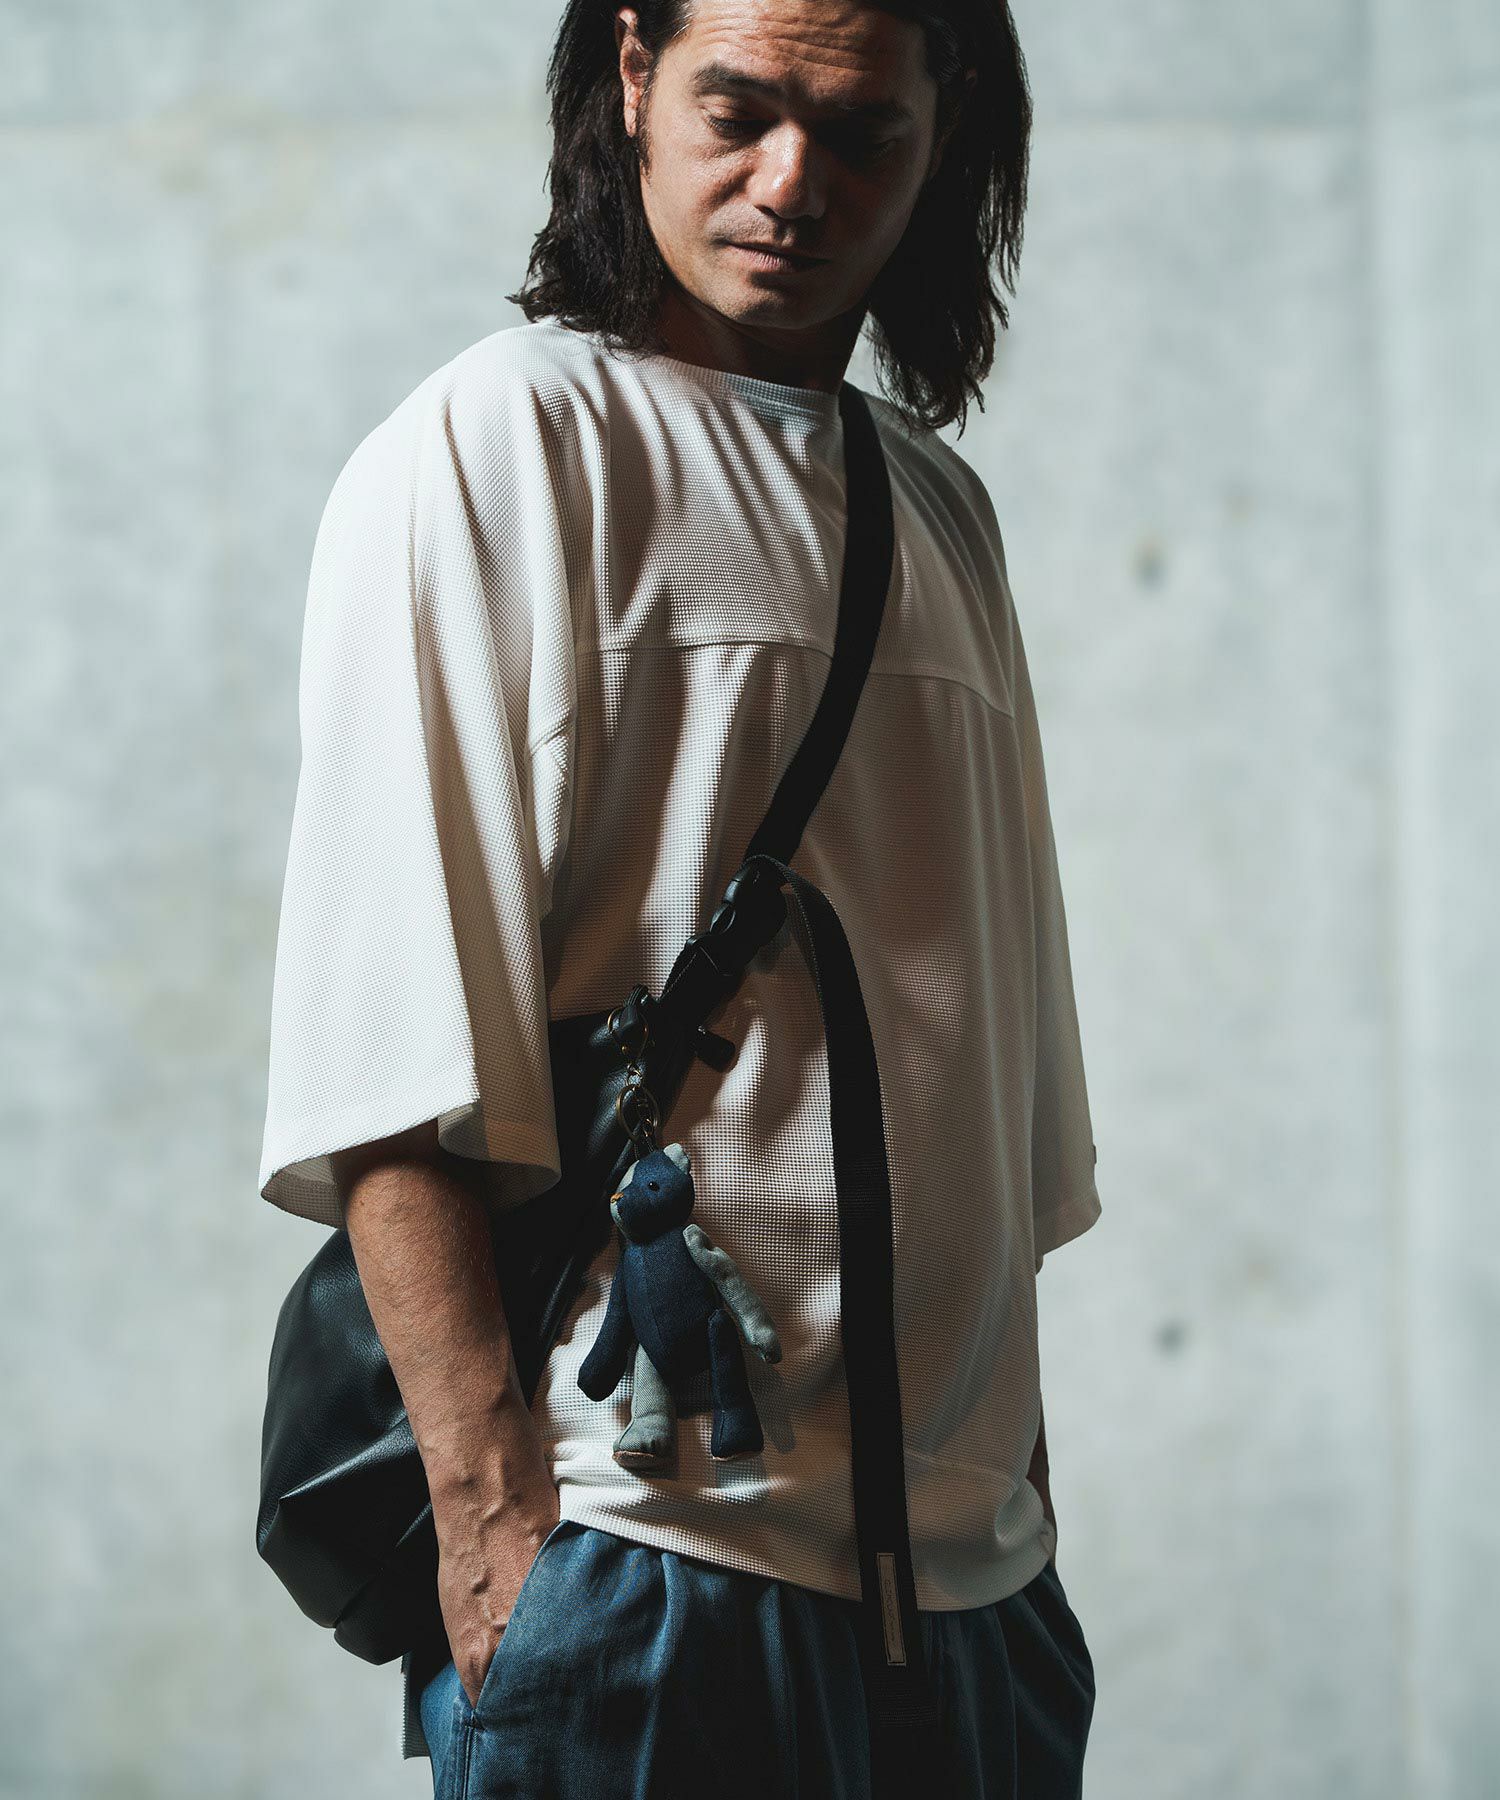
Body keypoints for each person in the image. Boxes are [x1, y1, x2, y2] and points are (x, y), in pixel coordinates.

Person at [257, 0, 1103, 1794]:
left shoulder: (937, 511)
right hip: (641, 1558)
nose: (794, 182)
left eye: (861, 132)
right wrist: (494, 1521)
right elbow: (388, 1047)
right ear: (634, 74)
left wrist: (1016, 1502)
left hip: (969, 1594)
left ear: (945, 135)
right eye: (743, 108)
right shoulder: (505, 441)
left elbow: (1001, 1066)